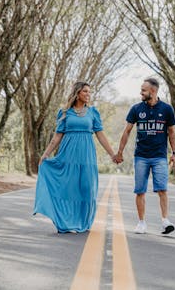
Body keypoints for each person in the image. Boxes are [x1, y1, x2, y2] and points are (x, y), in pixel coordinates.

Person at [33, 81, 117, 233]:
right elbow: (57, 137)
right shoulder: (65, 113)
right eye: (85, 91)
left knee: (87, 188)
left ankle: (84, 222)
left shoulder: (93, 112)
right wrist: (45, 154)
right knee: (68, 188)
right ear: (77, 93)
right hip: (68, 154)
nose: (88, 94)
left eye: (89, 92)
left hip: (86, 155)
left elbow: (101, 135)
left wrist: (112, 154)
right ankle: (66, 221)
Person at [114, 77, 175, 235]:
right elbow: (127, 131)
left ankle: (165, 221)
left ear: (153, 91)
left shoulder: (167, 109)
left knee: (162, 189)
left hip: (160, 157)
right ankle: (141, 223)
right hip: (141, 156)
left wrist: (174, 153)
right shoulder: (136, 109)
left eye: (143, 90)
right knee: (140, 191)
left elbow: (171, 132)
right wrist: (120, 152)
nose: (140, 92)